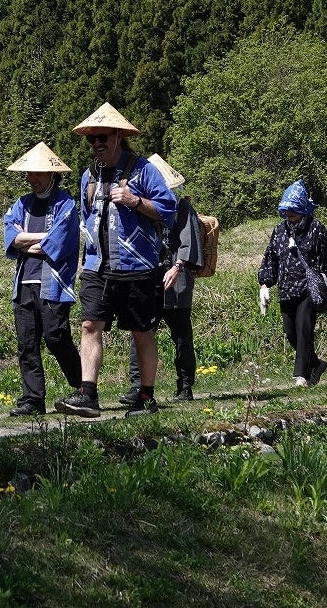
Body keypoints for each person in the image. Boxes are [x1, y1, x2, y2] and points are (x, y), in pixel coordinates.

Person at [55, 103, 175, 419]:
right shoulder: (88, 176)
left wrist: (135, 201)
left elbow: (169, 211)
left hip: (137, 266)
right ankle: (87, 394)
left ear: (119, 136)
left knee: (141, 331)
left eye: (102, 137)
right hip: (96, 265)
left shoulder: (144, 170)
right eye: (91, 140)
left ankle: (146, 397)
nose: (96, 144)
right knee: (89, 324)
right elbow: (86, 217)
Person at [2, 142, 82, 416]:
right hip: (24, 281)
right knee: (26, 342)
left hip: (54, 282)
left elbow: (58, 243)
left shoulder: (66, 204)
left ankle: (82, 386)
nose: (32, 178)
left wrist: (26, 241)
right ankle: (32, 398)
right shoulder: (21, 203)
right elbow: (10, 237)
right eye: (29, 174)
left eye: (38, 173)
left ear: (52, 174)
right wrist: (33, 240)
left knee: (56, 337)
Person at [121, 154, 206, 402]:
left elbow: (189, 241)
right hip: (148, 275)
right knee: (141, 331)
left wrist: (178, 266)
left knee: (181, 333)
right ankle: (138, 386)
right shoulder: (141, 208)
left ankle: (185, 385)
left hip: (176, 277)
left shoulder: (182, 207)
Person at [257, 180, 327, 386]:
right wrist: (264, 284)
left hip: (309, 287)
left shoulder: (316, 228)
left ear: (302, 209)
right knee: (290, 333)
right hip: (286, 289)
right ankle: (315, 364)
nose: (288, 213)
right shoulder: (279, 230)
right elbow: (270, 257)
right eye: (286, 209)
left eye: (293, 209)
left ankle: (301, 376)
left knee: (304, 329)